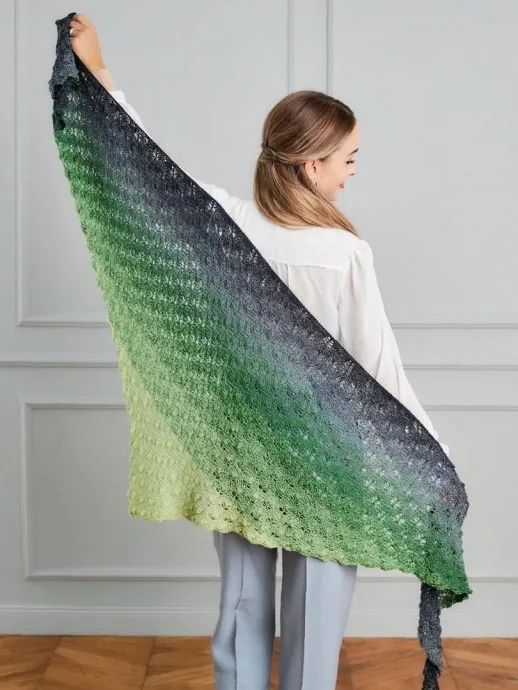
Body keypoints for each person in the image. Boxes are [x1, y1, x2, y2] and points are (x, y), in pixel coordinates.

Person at [68, 13, 450, 690]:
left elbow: (144, 165)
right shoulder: (344, 253)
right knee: (317, 608)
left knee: (243, 602)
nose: (352, 172)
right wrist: (435, 458)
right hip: (327, 455)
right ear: (312, 163)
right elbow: (378, 371)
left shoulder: (229, 226)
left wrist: (97, 70)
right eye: (349, 158)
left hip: (241, 446)